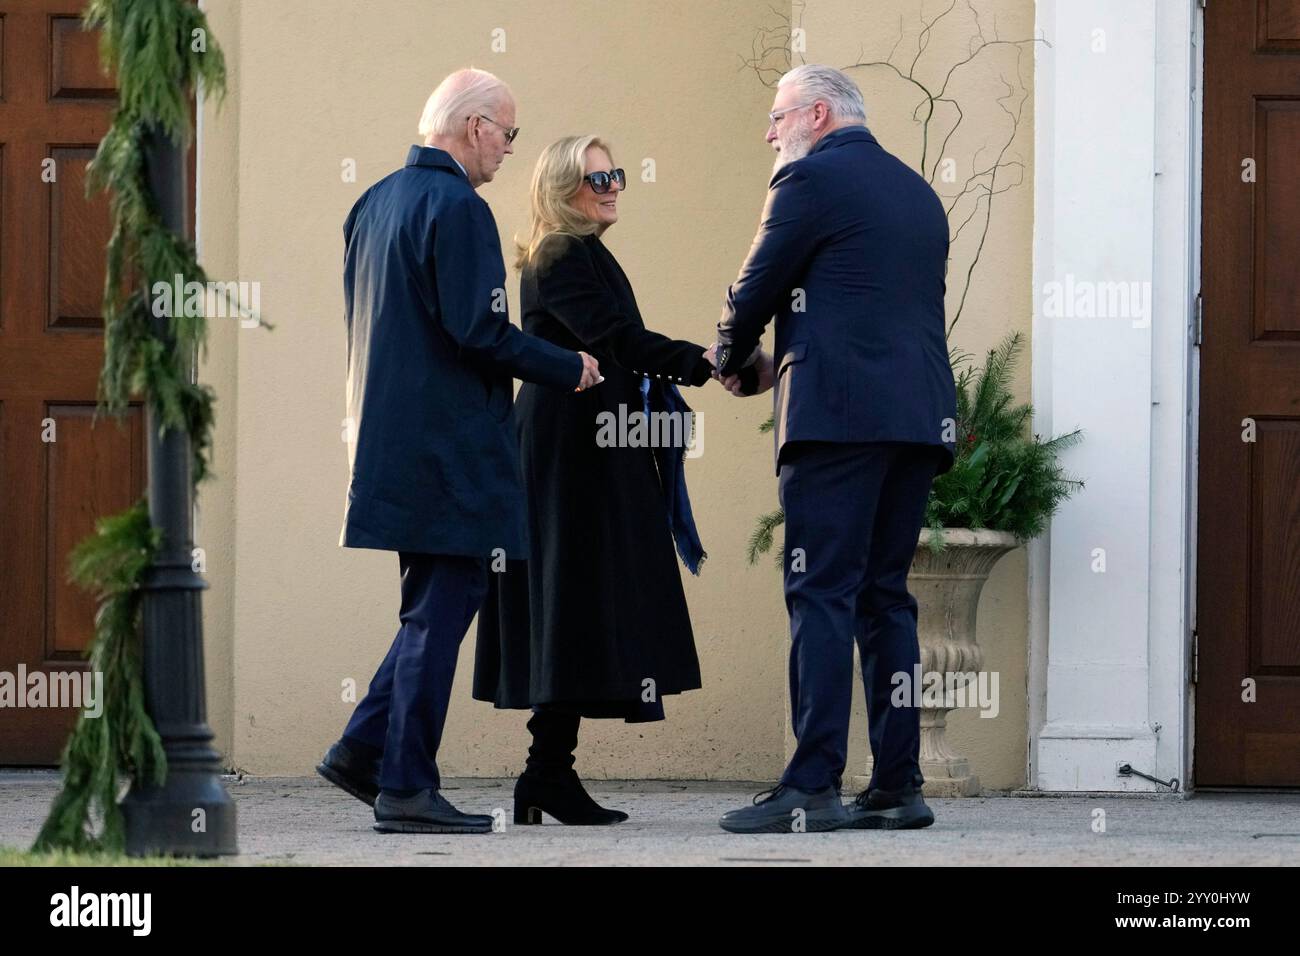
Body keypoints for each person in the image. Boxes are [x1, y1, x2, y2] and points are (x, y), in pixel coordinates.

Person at [316, 68, 601, 835]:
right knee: (441, 613)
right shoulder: (459, 209)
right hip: (451, 455)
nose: (510, 148)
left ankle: (361, 751)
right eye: (508, 133)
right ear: (474, 126)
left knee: (428, 610)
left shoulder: (372, 203)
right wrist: (567, 364)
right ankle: (406, 787)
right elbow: (479, 333)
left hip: (388, 449)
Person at [713, 64, 957, 834]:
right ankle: (897, 785)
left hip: (838, 418)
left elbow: (756, 285)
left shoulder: (809, 182)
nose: (770, 132)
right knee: (885, 598)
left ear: (818, 114)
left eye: (779, 117)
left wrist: (731, 357)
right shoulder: (917, 191)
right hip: (917, 419)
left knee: (820, 591)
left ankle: (812, 784)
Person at [474, 135, 713, 825]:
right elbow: (614, 343)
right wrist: (707, 361)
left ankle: (547, 774)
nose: (611, 185)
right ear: (559, 188)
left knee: (575, 602)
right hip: (567, 451)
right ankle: (546, 775)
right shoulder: (559, 254)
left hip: (590, 445)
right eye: (596, 176)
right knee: (568, 600)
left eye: (617, 174)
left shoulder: (583, 253)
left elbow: (615, 347)